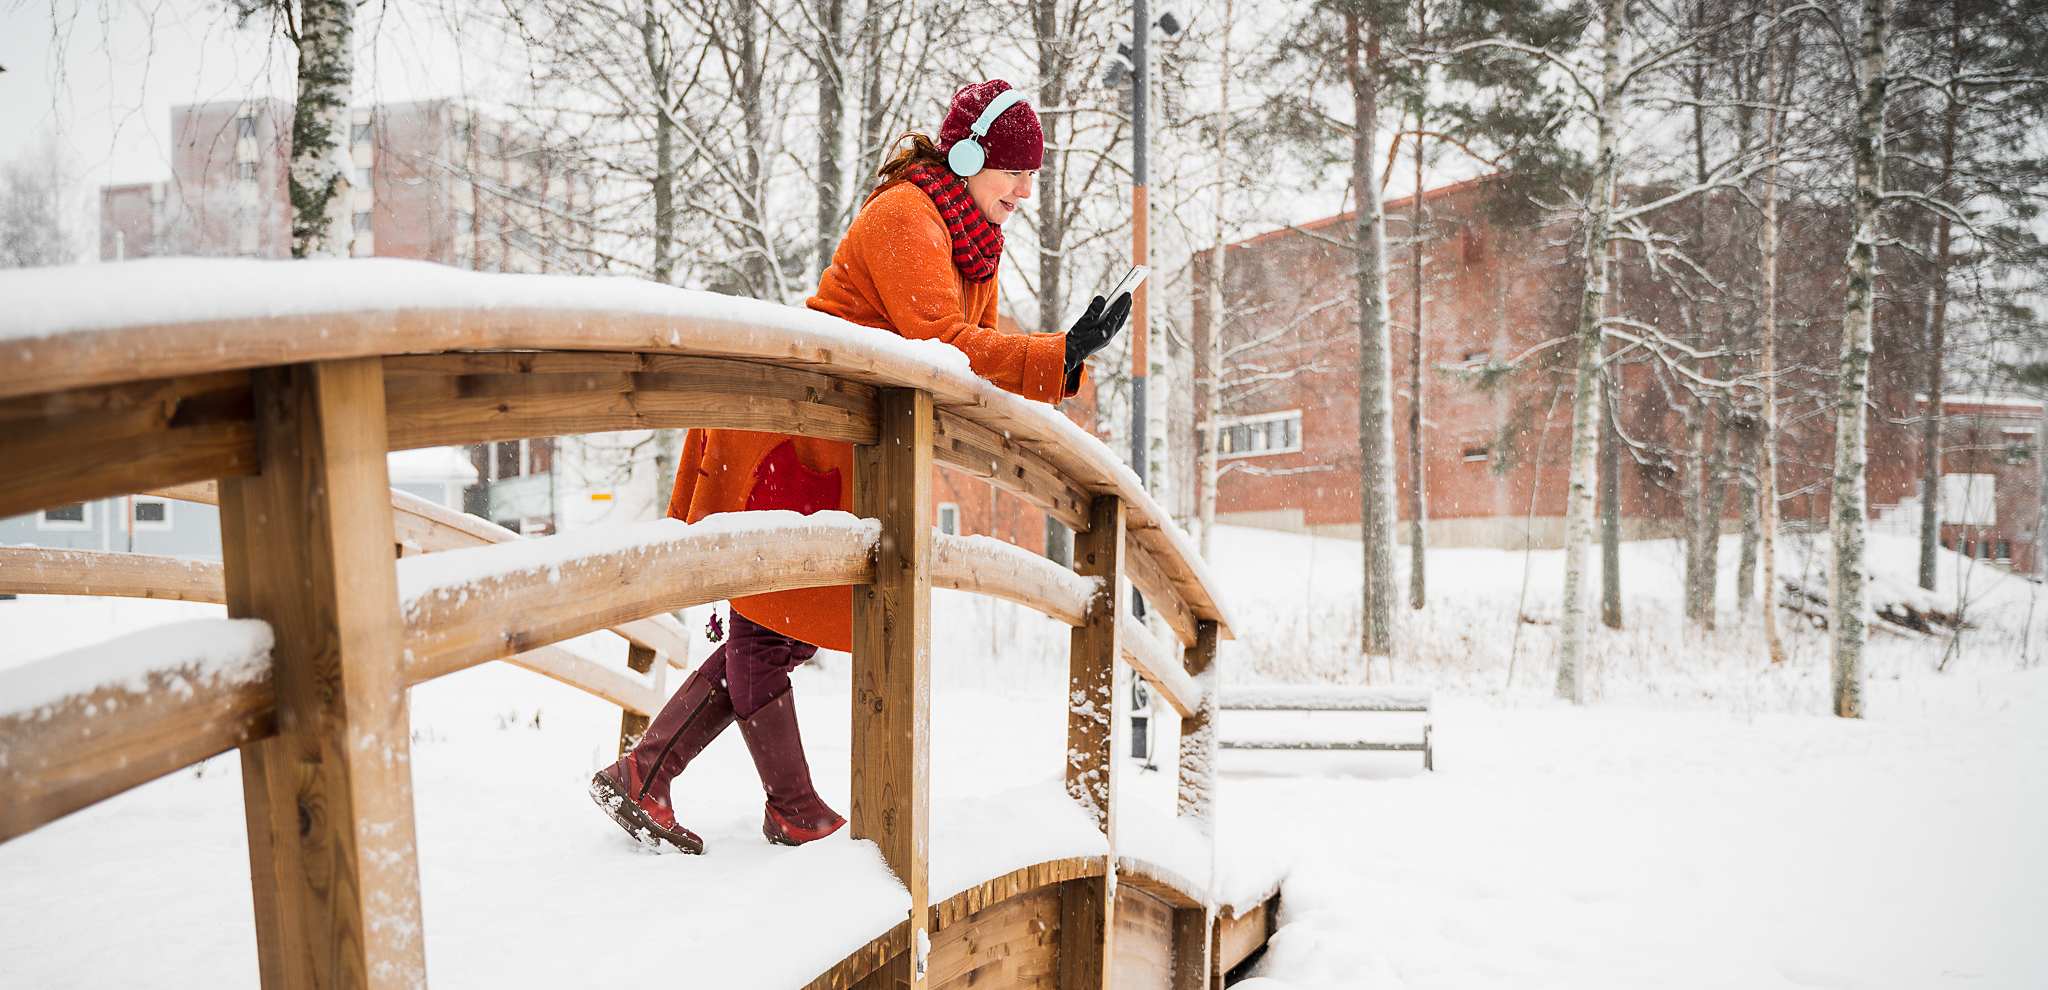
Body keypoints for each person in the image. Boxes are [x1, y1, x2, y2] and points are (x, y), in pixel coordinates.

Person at [591, 80, 1133, 854]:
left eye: (1031, 175)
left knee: (784, 624)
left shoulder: (973, 242)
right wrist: (1056, 356)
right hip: (784, 431)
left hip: (831, 442)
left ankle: (650, 773)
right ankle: (786, 807)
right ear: (969, 154)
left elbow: (970, 355)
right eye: (1012, 169)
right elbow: (940, 343)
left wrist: (1063, 355)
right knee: (767, 616)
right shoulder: (909, 214)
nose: (1023, 188)